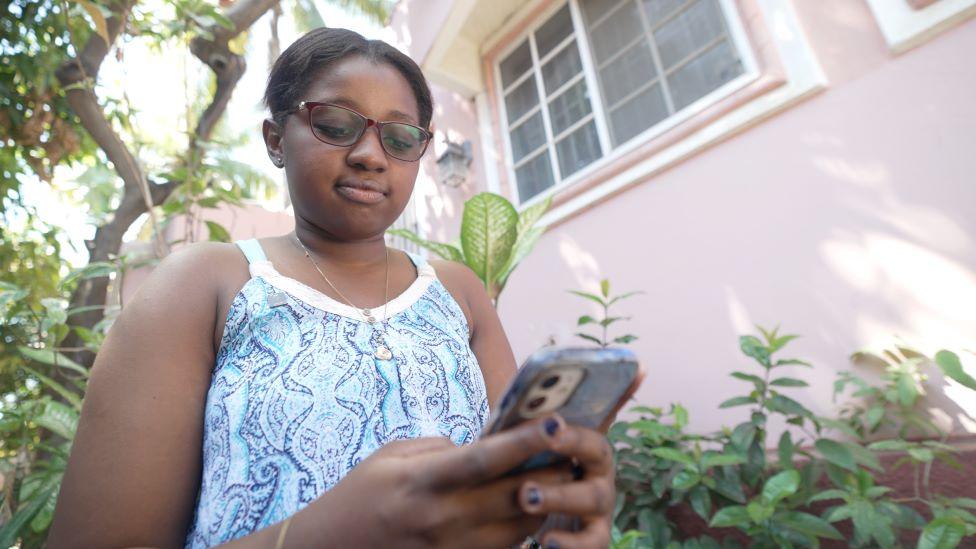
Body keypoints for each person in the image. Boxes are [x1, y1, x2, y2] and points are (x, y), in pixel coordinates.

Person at [48, 27, 643, 549]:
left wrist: (558, 512)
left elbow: (509, 494)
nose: (369, 156)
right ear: (276, 139)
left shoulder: (459, 292)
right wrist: (329, 534)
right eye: (335, 125)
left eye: (401, 138)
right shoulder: (206, 283)